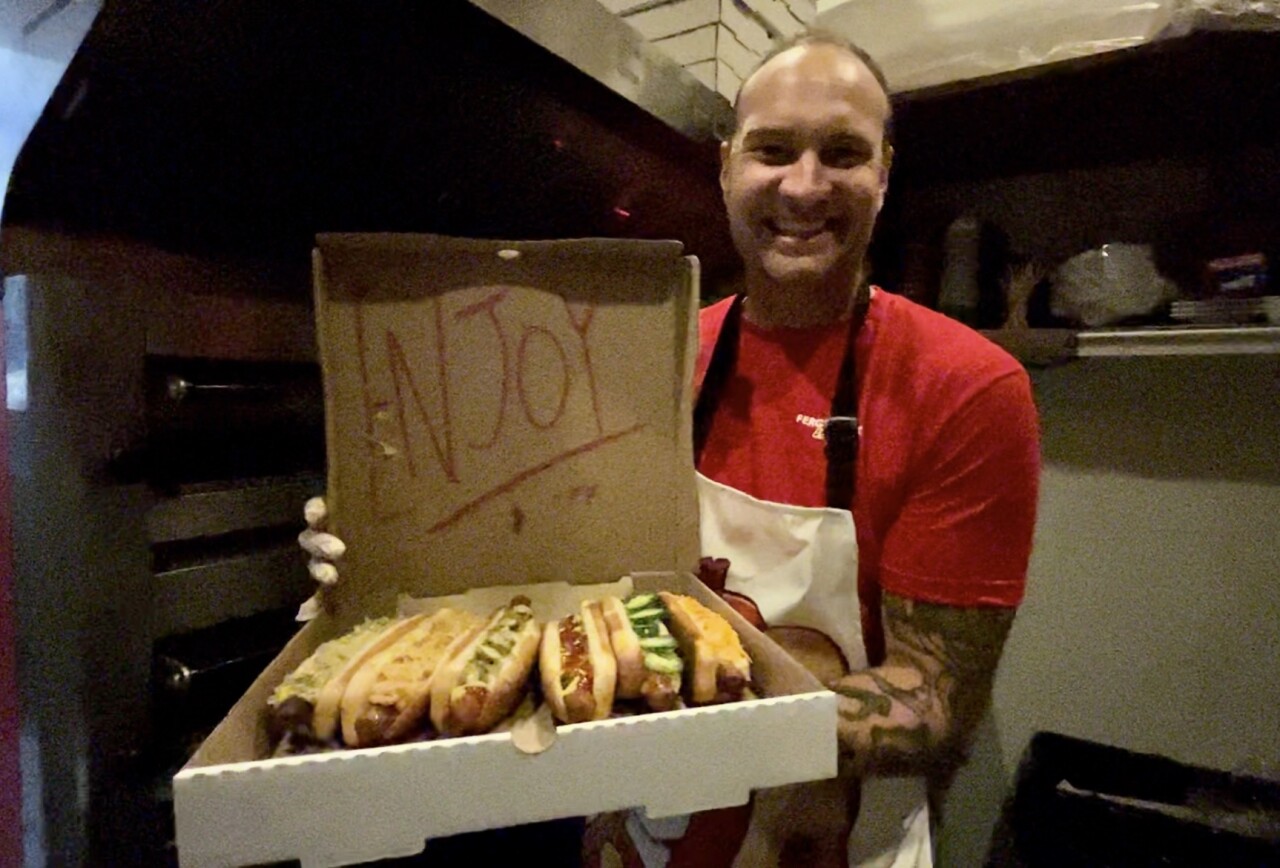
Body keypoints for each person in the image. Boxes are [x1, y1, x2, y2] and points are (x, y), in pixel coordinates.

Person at [301, 29, 1040, 868]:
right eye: (772, 150)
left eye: (842, 153)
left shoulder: (967, 388)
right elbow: (555, 560)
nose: (804, 185)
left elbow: (933, 700)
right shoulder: (647, 353)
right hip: (634, 833)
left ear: (884, 173)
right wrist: (393, 553)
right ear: (726, 168)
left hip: (826, 844)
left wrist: (693, 725)